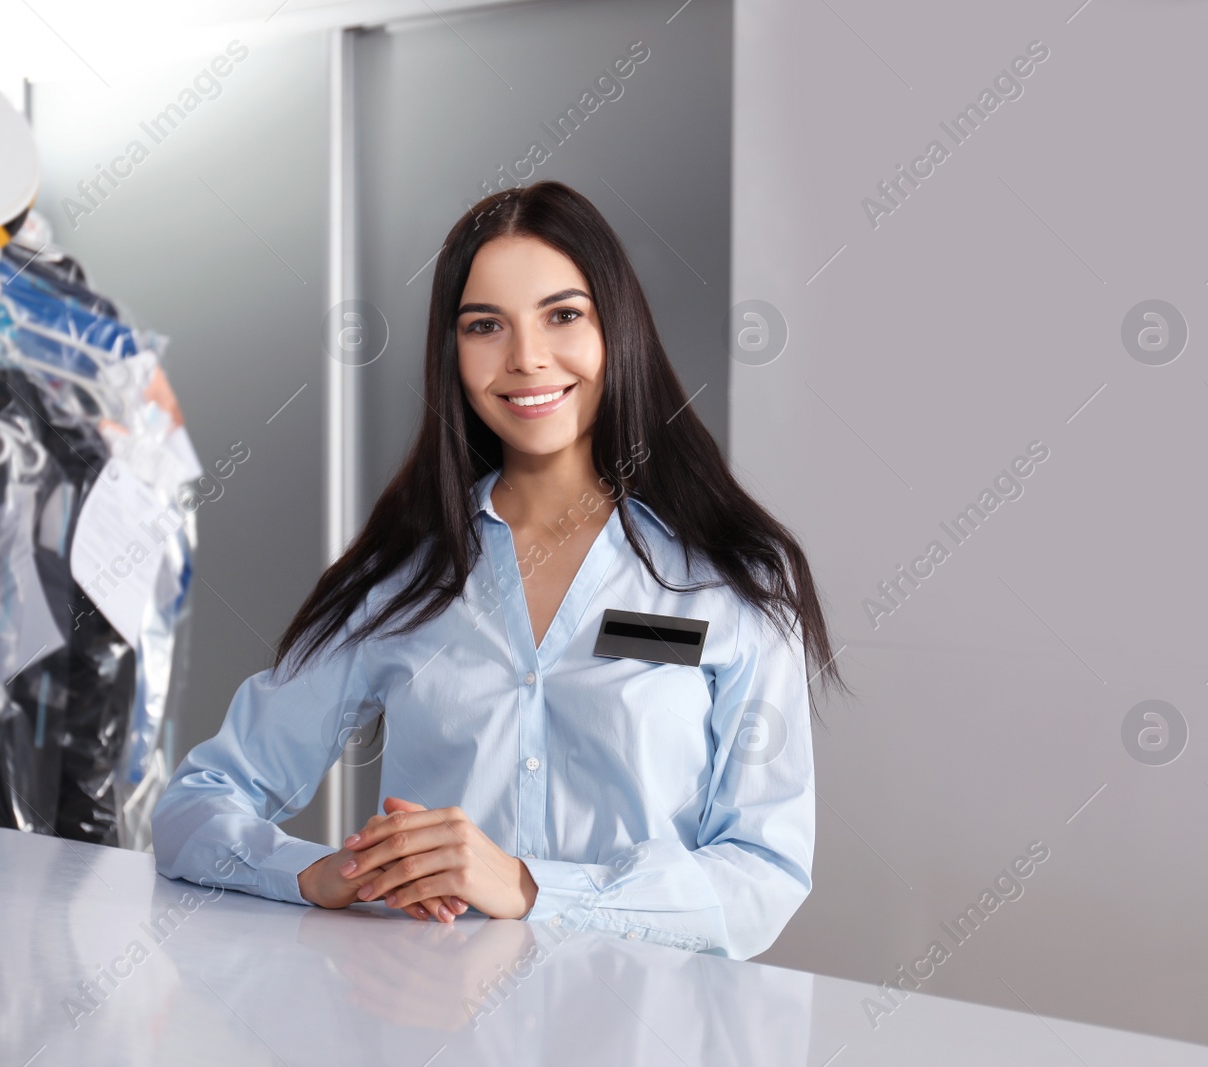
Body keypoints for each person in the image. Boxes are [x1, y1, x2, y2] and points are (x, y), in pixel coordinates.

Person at [151, 180, 849, 960]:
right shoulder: (403, 577)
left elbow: (763, 873)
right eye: (486, 326)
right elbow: (193, 807)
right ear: (452, 350)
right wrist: (319, 871)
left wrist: (528, 886)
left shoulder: (732, 577)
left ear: (615, 327)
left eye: (562, 315)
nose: (526, 359)